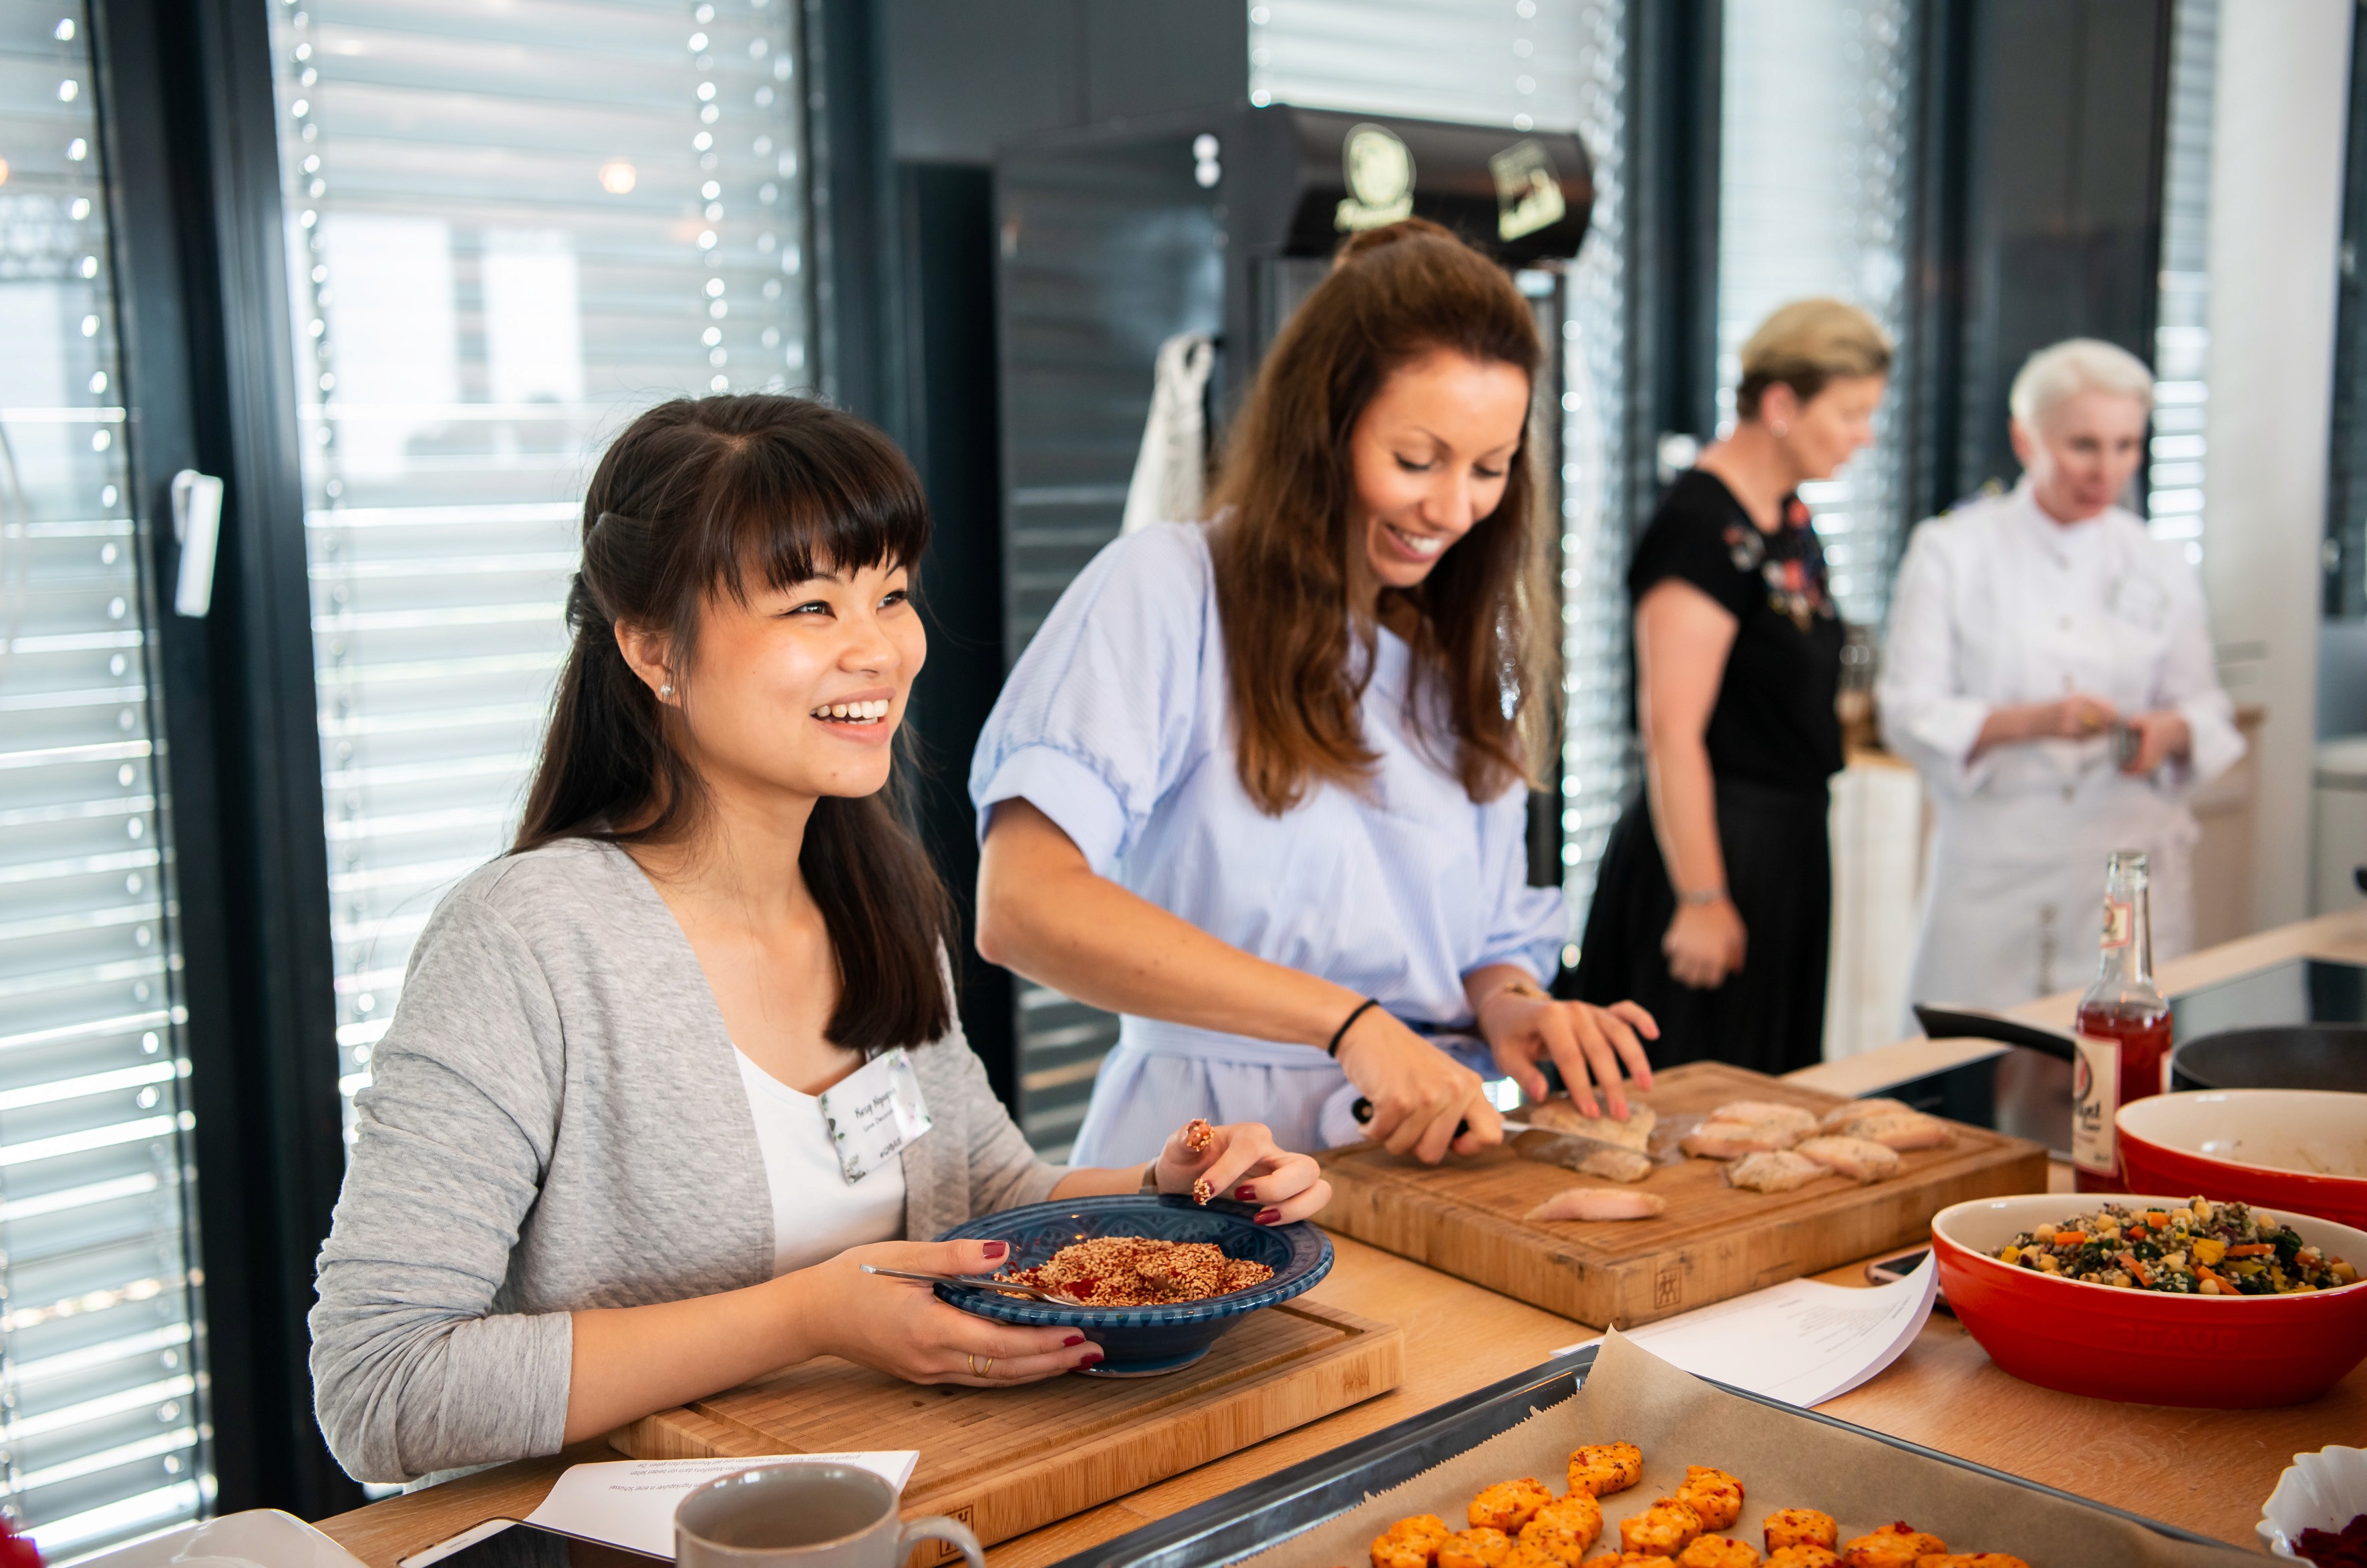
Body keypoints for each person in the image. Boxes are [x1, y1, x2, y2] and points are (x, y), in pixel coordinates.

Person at [308, 396, 1329, 1485]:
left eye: (890, 594)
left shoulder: (873, 900)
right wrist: (809, 1317)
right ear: (654, 648)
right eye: (809, 606)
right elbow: (379, 1387)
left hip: (878, 1506)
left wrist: (1168, 1195)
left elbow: (982, 1198)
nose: (876, 648)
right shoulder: (523, 946)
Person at [969, 220, 1658, 1170]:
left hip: (1415, 1156)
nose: (1454, 509)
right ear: (1321, 427)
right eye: (1417, 461)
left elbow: (1483, 940)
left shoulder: (1452, 650)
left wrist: (1512, 1006)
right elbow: (1022, 906)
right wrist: (1347, 1025)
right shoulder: (1168, 589)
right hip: (1208, 1157)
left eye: (1489, 469)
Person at [1877, 339, 2243, 1010]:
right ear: (2026, 439)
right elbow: (1907, 711)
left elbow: (2207, 710)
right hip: (1997, 862)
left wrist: (2165, 732)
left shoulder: (2159, 560)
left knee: (2120, 1065)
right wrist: (2035, 721)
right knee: (1967, 1075)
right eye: (2083, 445)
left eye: (2127, 445)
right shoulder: (1952, 551)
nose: (2107, 470)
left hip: (2127, 858)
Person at [1575, 299, 1891, 1074]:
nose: (1865, 436)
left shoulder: (1786, 518)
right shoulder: (1699, 528)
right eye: (1850, 413)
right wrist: (1704, 899)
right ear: (1782, 404)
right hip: (1715, 843)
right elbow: (1671, 730)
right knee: (1696, 1088)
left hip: (1785, 842)